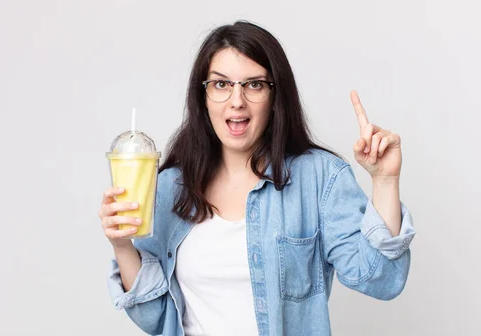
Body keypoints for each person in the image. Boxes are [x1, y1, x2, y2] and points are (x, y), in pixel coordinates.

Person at [99, 20, 416, 336]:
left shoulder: (318, 178)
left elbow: (382, 280)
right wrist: (123, 246)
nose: (237, 100)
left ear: (275, 97)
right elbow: (154, 317)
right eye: (221, 84)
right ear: (203, 96)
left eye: (253, 84)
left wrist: (385, 181)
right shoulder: (170, 187)